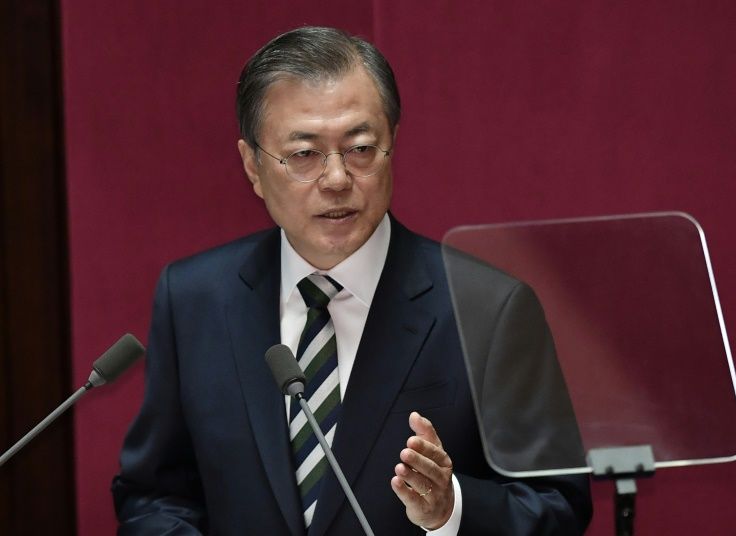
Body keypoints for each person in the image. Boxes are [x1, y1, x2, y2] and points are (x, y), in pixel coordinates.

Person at [112, 26, 592, 535]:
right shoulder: (194, 300)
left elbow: (557, 505)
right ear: (252, 165)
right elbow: (155, 494)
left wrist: (450, 510)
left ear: (392, 144)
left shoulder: (487, 308)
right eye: (304, 155)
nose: (338, 179)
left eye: (361, 148)